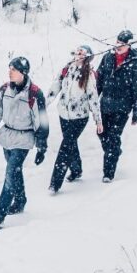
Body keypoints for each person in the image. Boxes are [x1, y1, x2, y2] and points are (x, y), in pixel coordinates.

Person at [0, 57, 49, 228]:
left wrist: (41, 147)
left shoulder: (34, 93)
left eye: (14, 69)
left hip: (24, 139)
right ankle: (20, 200)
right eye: (9, 68)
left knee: (10, 173)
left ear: (23, 73)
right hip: (7, 137)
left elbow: (42, 121)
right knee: (15, 172)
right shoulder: (4, 90)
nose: (10, 72)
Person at [47, 44, 103, 194]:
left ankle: (55, 183)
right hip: (64, 114)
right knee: (70, 143)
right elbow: (55, 87)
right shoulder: (66, 69)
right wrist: (43, 104)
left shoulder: (89, 74)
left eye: (81, 53)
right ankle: (77, 170)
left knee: (66, 146)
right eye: (77, 52)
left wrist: (98, 120)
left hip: (79, 117)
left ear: (87, 57)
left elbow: (93, 97)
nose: (78, 55)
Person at [96, 30, 137, 182]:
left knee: (113, 138)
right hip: (105, 105)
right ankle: (115, 151)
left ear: (129, 44)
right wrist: (92, 100)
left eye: (122, 44)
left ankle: (108, 173)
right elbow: (98, 80)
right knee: (101, 134)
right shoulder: (107, 58)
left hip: (122, 107)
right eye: (117, 42)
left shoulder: (134, 62)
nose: (119, 46)